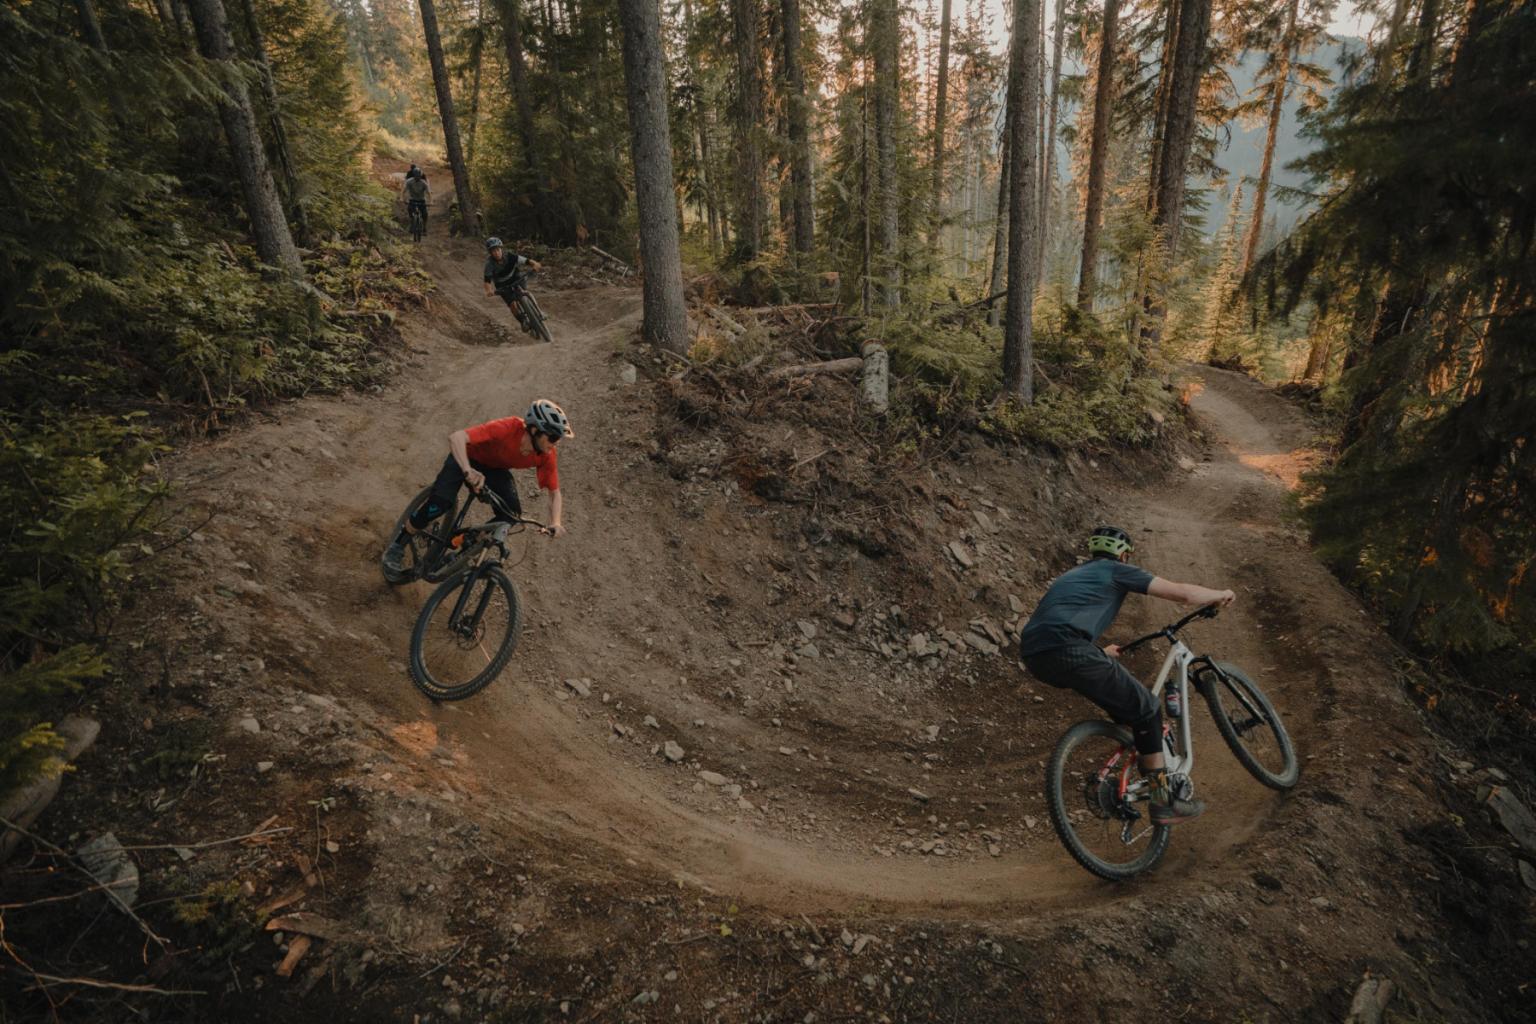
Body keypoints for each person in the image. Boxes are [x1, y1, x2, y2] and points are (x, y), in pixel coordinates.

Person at [1017, 526, 1236, 825]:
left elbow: (1057, 623)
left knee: (1131, 711)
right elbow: (1183, 594)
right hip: (1071, 648)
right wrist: (1220, 594)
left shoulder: (1071, 576)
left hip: (1036, 655)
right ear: (1124, 554)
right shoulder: (1116, 570)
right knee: (1148, 708)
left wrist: (1097, 652)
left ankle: (1135, 767)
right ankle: (1163, 802)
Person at [382, 400, 572, 578]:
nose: (556, 442)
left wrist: (555, 522)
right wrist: (468, 470)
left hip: (494, 469)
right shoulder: (507, 428)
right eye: (553, 436)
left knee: (511, 515)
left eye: (559, 438)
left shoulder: (547, 454)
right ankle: (398, 544)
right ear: (533, 430)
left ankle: (463, 545)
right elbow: (456, 437)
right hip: (466, 458)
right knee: (440, 504)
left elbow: (554, 492)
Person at [483, 237, 543, 335]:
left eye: (498, 250)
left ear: (501, 249)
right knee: (512, 305)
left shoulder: (510, 256)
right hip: (502, 285)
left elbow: (525, 261)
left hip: (516, 278)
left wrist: (535, 264)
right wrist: (489, 291)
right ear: (490, 253)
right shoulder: (489, 264)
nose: (496, 253)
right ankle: (522, 321)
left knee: (525, 292)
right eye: (493, 251)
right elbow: (487, 280)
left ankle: (539, 311)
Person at [402, 169, 430, 234]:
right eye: (416, 176)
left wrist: (431, 201)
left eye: (419, 176)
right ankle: (412, 223)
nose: (418, 177)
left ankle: (424, 227)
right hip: (412, 199)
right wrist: (402, 198)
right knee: (410, 210)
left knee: (425, 214)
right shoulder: (409, 182)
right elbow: (404, 190)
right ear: (414, 176)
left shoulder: (423, 182)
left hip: (421, 200)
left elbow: (428, 193)